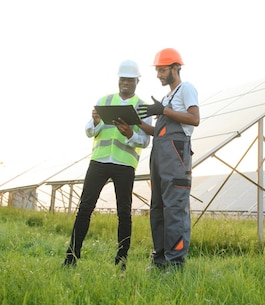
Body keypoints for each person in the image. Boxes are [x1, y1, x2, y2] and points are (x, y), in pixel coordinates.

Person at [63, 60, 153, 270]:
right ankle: (71, 257)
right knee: (84, 208)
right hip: (99, 162)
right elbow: (89, 132)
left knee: (124, 212)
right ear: (118, 80)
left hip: (124, 164)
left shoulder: (142, 107)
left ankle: (121, 261)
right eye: (123, 79)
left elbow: (145, 140)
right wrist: (95, 122)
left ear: (137, 81)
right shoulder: (104, 101)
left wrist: (130, 134)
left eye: (130, 80)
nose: (126, 83)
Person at [138, 48, 200, 269]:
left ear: (175, 68)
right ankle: (160, 259)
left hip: (176, 154)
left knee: (174, 207)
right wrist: (134, 123)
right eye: (157, 70)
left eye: (162, 70)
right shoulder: (166, 98)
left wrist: (164, 111)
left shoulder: (186, 89)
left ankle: (175, 263)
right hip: (159, 155)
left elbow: (194, 119)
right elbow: (158, 132)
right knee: (158, 207)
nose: (158, 75)